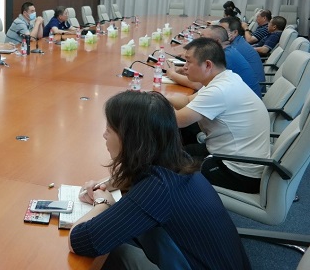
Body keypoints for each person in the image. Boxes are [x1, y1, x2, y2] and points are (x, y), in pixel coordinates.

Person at [69, 91, 250, 269]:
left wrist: (103, 203)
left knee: (112, 253)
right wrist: (106, 184)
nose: (104, 135)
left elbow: (78, 241)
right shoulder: (178, 161)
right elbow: (135, 179)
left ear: (130, 140)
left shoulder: (157, 189)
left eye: (109, 130)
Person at [167, 38, 270, 193]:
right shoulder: (226, 78)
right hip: (238, 158)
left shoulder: (219, 90)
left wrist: (148, 104)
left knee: (168, 162)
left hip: (238, 173)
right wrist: (158, 96)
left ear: (208, 65)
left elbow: (176, 120)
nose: (185, 67)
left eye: (188, 62)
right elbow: (187, 101)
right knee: (180, 149)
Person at [165, 26, 261, 96]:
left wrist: (172, 74)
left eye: (203, 38)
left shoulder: (225, 56)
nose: (199, 41)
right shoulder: (227, 50)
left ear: (217, 42)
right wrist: (185, 70)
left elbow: (198, 85)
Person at [219, 16, 265, 87]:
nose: (218, 33)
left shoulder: (235, 49)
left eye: (223, 31)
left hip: (249, 89)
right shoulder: (239, 41)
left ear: (235, 32)